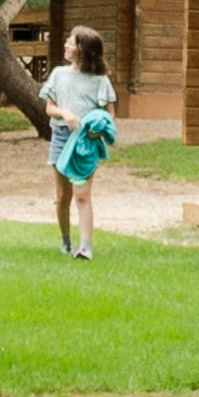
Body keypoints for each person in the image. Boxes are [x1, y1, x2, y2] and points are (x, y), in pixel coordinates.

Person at [41, 24, 119, 260]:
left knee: (82, 194)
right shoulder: (59, 75)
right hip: (62, 136)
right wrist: (65, 113)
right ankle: (65, 240)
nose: (66, 44)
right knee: (62, 195)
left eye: (71, 42)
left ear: (83, 50)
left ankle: (85, 246)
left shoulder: (100, 80)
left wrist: (97, 130)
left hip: (86, 141)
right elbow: (49, 108)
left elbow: (110, 113)